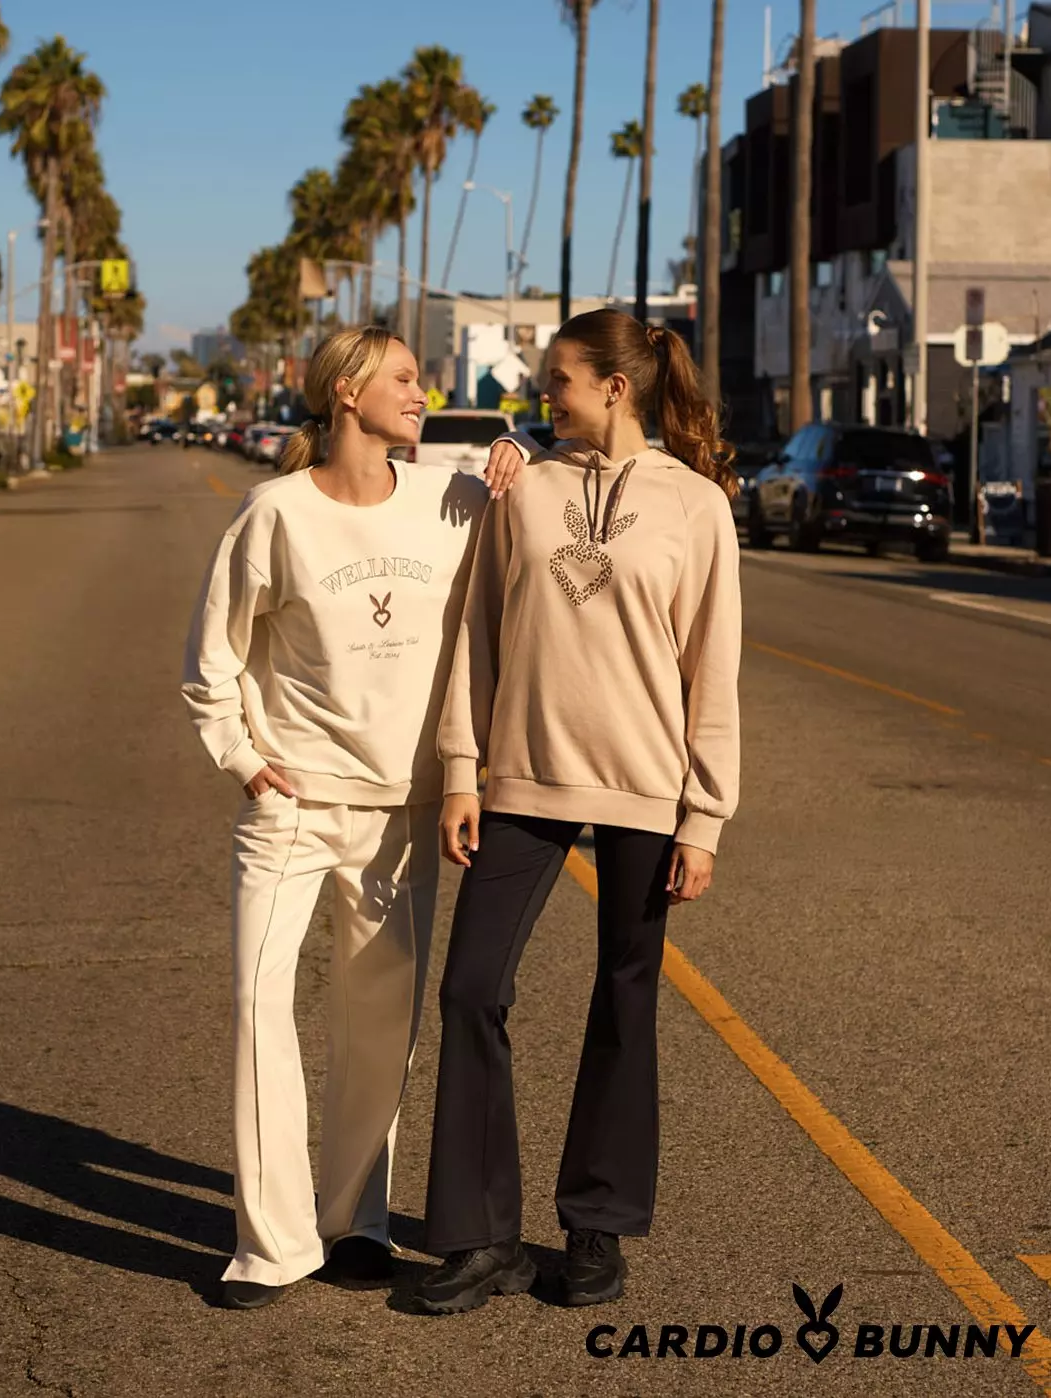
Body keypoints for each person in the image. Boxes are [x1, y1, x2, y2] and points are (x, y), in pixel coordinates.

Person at [181, 326, 522, 1310]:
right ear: (346, 394)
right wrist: (245, 762)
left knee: (381, 1028)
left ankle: (354, 1221)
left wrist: (523, 460)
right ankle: (270, 1245)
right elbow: (213, 661)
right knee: (258, 1007)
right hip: (291, 810)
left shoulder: (452, 502)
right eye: (407, 378)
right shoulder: (275, 513)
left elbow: (531, 539)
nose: (425, 392)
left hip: (402, 812)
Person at [413, 308, 743, 1316]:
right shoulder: (521, 485)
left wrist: (705, 818)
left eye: (557, 378)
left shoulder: (697, 508)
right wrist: (463, 768)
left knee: (626, 999)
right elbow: (476, 629)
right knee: (471, 989)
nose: (540, 391)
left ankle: (596, 1228)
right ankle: (481, 1238)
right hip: (521, 776)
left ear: (615, 387)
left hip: (647, 786)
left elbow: (712, 671)